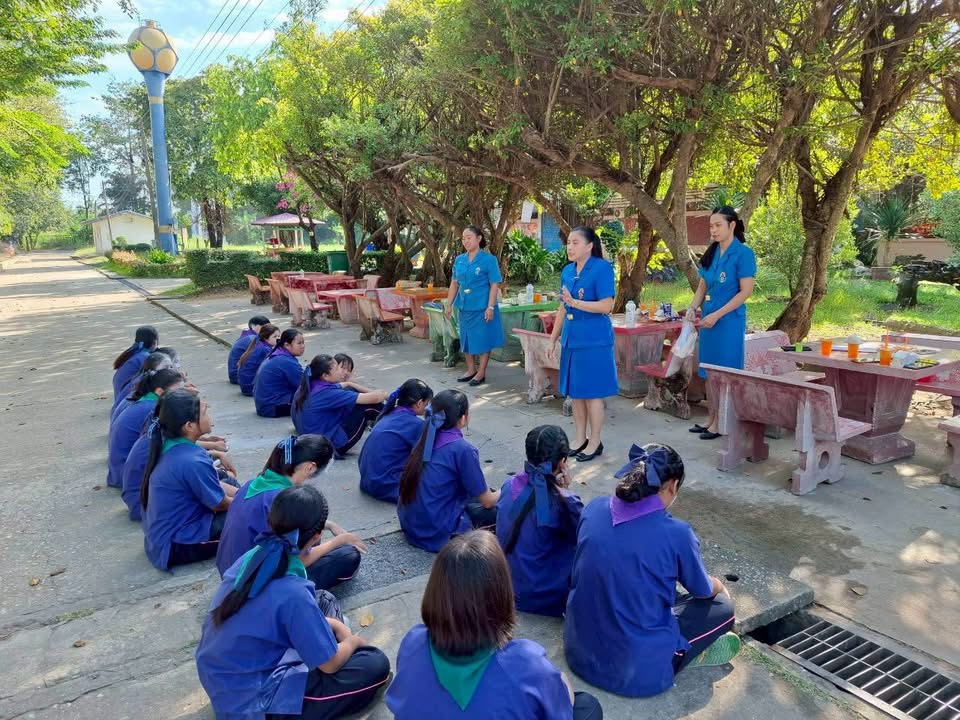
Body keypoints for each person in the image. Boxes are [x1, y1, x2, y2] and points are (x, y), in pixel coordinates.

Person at [196, 485, 391, 720]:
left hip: (224, 676)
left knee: (324, 598)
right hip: (254, 702)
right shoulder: (293, 592)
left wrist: (334, 626)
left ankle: (322, 644)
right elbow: (330, 665)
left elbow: (281, 602)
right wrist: (352, 641)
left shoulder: (257, 554)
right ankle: (323, 651)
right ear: (316, 537)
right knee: (375, 664)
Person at [564, 443, 740, 698]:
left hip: (578, 652)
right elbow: (702, 590)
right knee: (722, 607)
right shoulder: (677, 533)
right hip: (636, 673)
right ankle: (683, 654)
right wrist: (719, 585)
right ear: (673, 486)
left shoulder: (594, 508)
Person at [386, 531, 603, 719]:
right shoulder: (526, 665)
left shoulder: (413, 641)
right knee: (587, 706)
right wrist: (559, 685)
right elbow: (559, 708)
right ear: (501, 593)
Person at [217, 435, 368, 591]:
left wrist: (329, 525)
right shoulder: (285, 501)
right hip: (252, 585)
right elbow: (297, 560)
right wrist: (339, 541)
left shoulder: (254, 484)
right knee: (348, 556)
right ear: (310, 468)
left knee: (312, 530)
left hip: (230, 574)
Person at [140, 390, 238, 570]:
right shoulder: (191, 461)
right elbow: (220, 504)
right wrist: (250, 502)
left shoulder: (172, 445)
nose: (209, 416)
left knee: (232, 485)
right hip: (178, 544)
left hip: (166, 535)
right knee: (250, 518)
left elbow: (215, 484)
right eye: (204, 413)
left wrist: (245, 493)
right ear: (189, 426)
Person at [495, 425, 583, 617]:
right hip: (546, 597)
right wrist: (566, 490)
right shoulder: (565, 502)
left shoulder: (508, 486)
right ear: (563, 462)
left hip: (508, 588)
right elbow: (582, 537)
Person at [397, 389, 499, 552]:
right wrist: (509, 486)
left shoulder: (426, 437)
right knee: (500, 509)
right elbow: (487, 501)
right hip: (436, 532)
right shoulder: (463, 449)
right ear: (463, 418)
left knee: (480, 494)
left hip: (412, 526)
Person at [686, 206, 757, 440]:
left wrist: (717, 315)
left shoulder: (743, 254)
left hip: (728, 323)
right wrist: (692, 308)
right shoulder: (712, 252)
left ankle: (721, 423)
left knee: (724, 373)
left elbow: (745, 292)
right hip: (708, 321)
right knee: (708, 371)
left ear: (732, 225)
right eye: (711, 226)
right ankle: (711, 419)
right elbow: (703, 286)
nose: (713, 230)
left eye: (718, 225)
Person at [547, 226, 617, 462]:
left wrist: (576, 303)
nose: (570, 247)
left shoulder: (601, 268)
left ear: (589, 246)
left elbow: (607, 305)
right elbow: (562, 306)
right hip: (572, 338)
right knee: (576, 392)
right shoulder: (568, 271)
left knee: (592, 393)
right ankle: (580, 438)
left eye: (575, 242)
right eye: (568, 242)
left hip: (594, 340)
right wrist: (553, 338)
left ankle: (595, 441)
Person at [292, 355, 387, 458]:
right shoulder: (327, 392)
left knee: (351, 391)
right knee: (366, 407)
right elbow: (376, 398)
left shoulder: (309, 383)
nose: (341, 372)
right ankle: (396, 426)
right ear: (325, 375)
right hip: (330, 446)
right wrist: (386, 394)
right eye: (337, 369)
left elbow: (347, 385)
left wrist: (351, 384)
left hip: (312, 438)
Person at [445, 225, 504, 387]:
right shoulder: (459, 260)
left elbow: (494, 284)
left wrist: (490, 307)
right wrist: (449, 304)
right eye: (463, 239)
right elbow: (454, 283)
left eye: (469, 237)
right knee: (466, 338)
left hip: (482, 306)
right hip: (464, 306)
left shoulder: (489, 260)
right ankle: (471, 369)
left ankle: (481, 372)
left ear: (479, 239)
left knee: (483, 339)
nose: (466, 241)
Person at [106, 368, 183, 489]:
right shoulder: (153, 408)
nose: (182, 395)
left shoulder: (147, 400)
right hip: (130, 479)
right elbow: (173, 443)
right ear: (159, 391)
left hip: (120, 472)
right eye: (178, 391)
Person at [358, 379, 433, 503]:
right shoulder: (416, 424)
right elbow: (428, 456)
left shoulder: (388, 414)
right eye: (427, 404)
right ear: (419, 403)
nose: (427, 407)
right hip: (387, 486)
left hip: (367, 482)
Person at [110, 349, 177, 424]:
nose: (171, 370)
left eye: (171, 367)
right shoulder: (146, 390)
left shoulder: (143, 382)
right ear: (153, 372)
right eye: (166, 367)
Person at [254, 328, 306, 417]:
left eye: (303, 343)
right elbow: (305, 385)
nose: (303, 346)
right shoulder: (286, 361)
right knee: (317, 399)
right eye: (299, 343)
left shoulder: (278, 354)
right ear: (287, 345)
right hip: (272, 407)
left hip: (264, 405)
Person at [112, 326, 159, 400]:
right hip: (126, 398)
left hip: (120, 397)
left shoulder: (134, 351)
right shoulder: (145, 356)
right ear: (154, 342)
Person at [238, 323, 280, 396]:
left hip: (246, 386)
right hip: (251, 388)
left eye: (279, 336)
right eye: (274, 337)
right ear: (265, 338)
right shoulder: (265, 349)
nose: (278, 339)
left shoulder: (259, 343)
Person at [228, 315, 270, 385]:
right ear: (253, 326)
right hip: (238, 376)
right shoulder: (252, 338)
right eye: (263, 326)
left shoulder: (247, 335)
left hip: (235, 374)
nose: (267, 330)